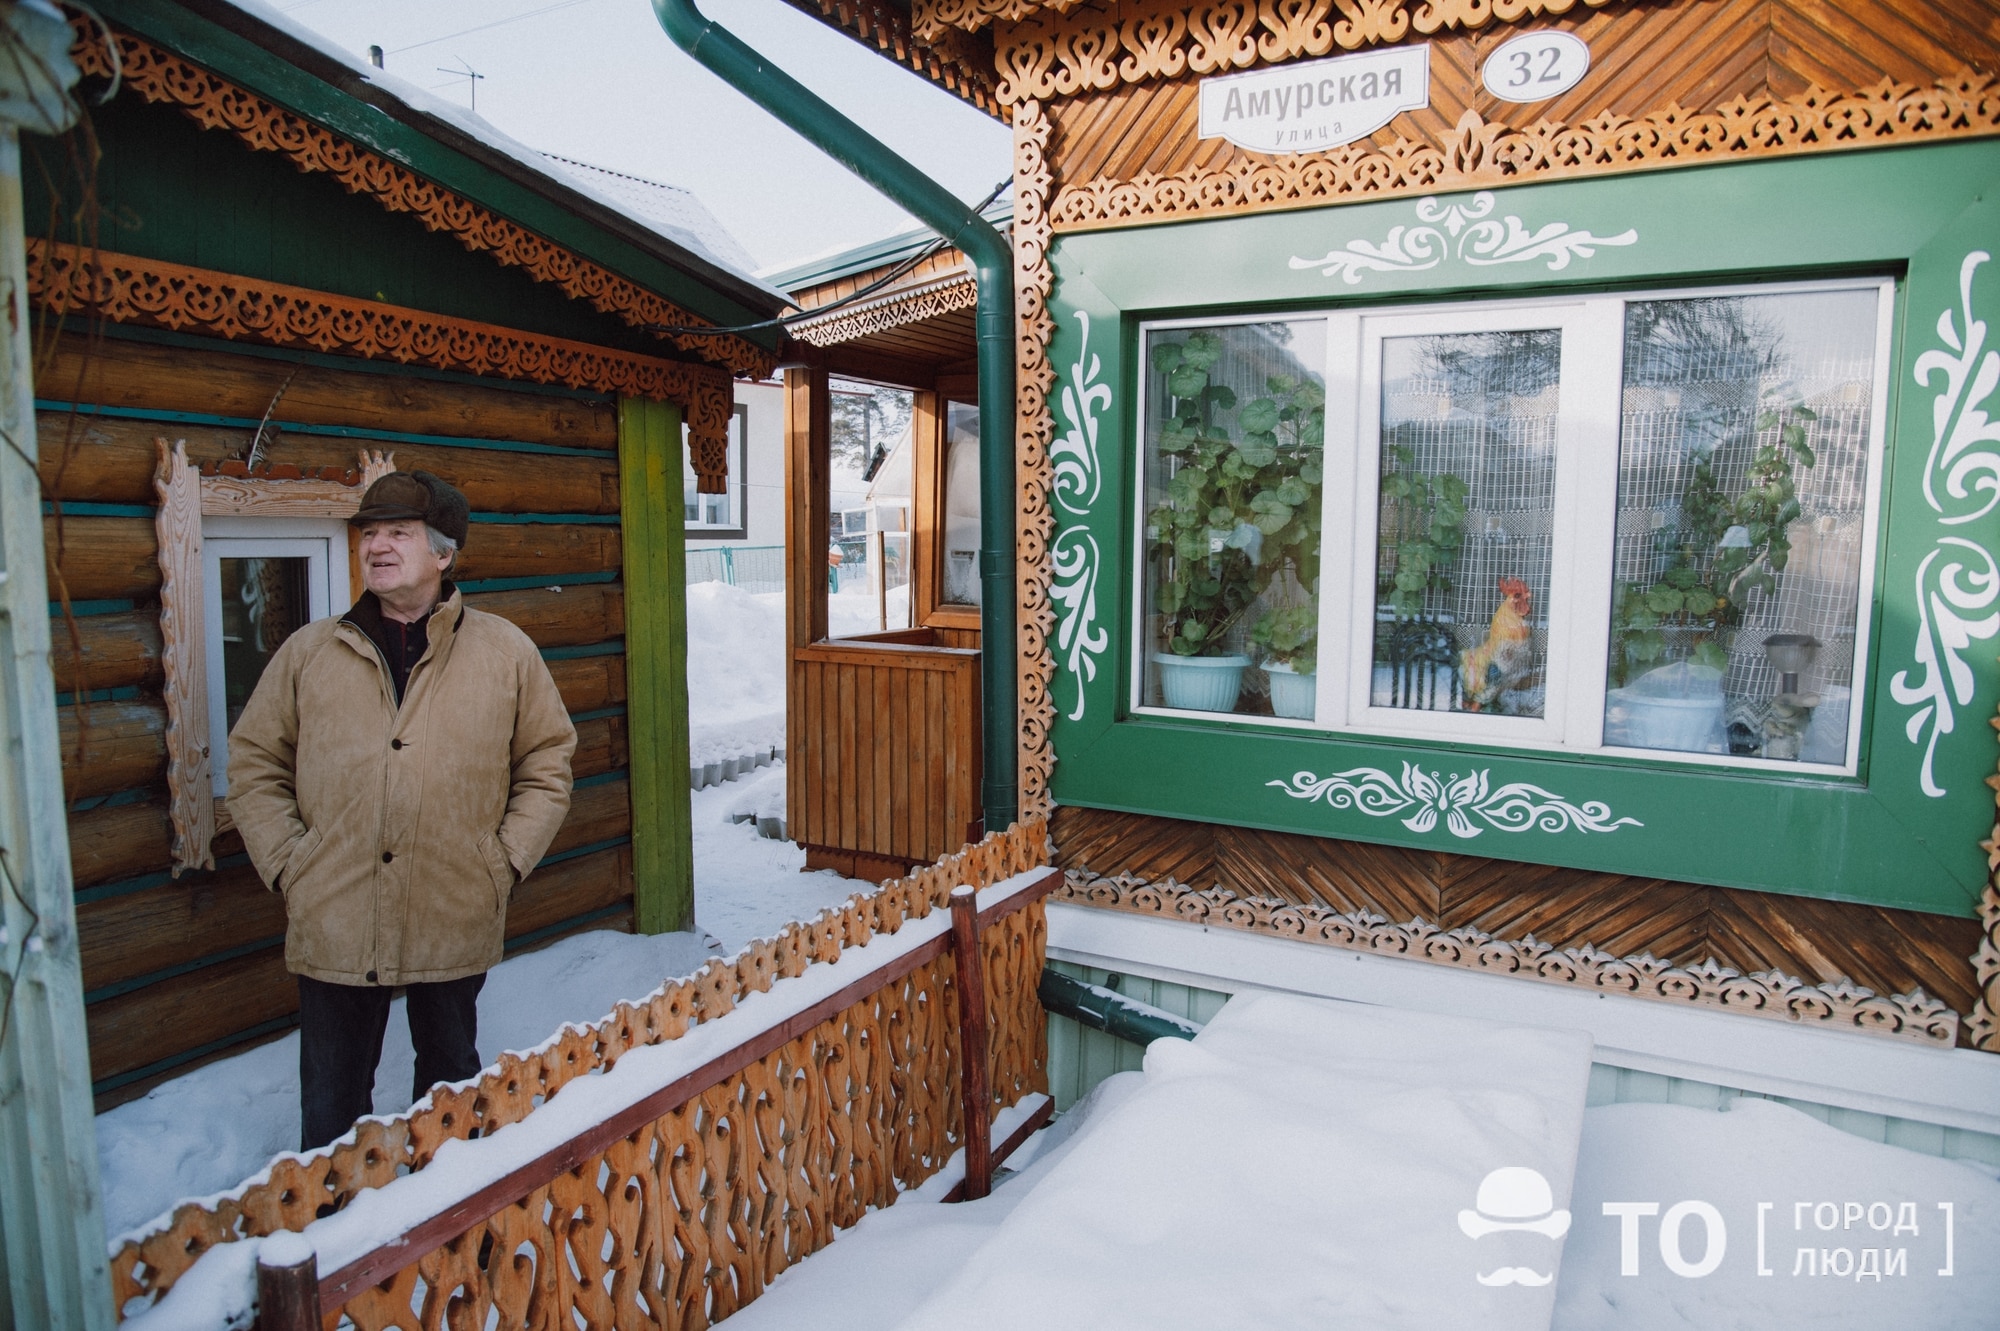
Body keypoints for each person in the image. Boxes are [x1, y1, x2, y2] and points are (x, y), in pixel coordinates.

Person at [228, 470, 577, 1151]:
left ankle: (447, 1237)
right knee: (332, 1111)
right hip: (335, 910)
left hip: (453, 904)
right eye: (369, 532)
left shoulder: (505, 653)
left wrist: (500, 863)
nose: (376, 546)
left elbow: (548, 763)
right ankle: (335, 1241)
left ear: (443, 555)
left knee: (450, 1096)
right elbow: (253, 763)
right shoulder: (310, 653)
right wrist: (290, 863)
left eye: (398, 533)